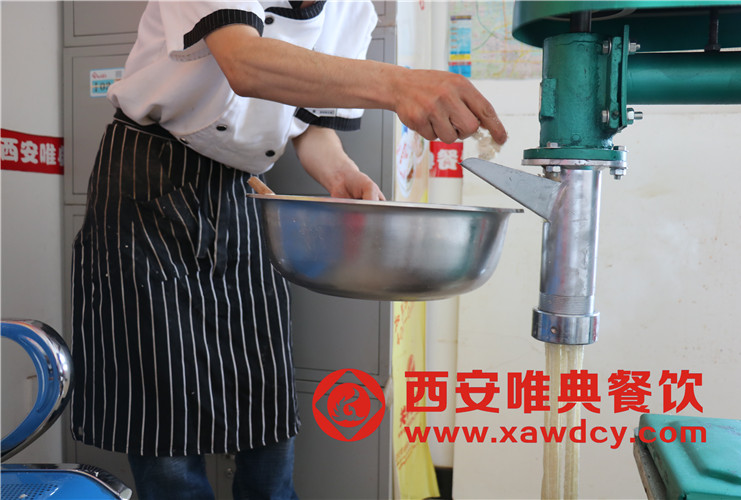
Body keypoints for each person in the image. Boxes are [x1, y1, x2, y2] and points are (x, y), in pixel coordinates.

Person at [69, 1, 508, 499]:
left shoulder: (351, 10)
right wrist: (400, 85)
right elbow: (245, 62)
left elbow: (312, 125)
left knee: (265, 398)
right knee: (162, 408)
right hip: (148, 179)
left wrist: (342, 174)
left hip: (242, 188)